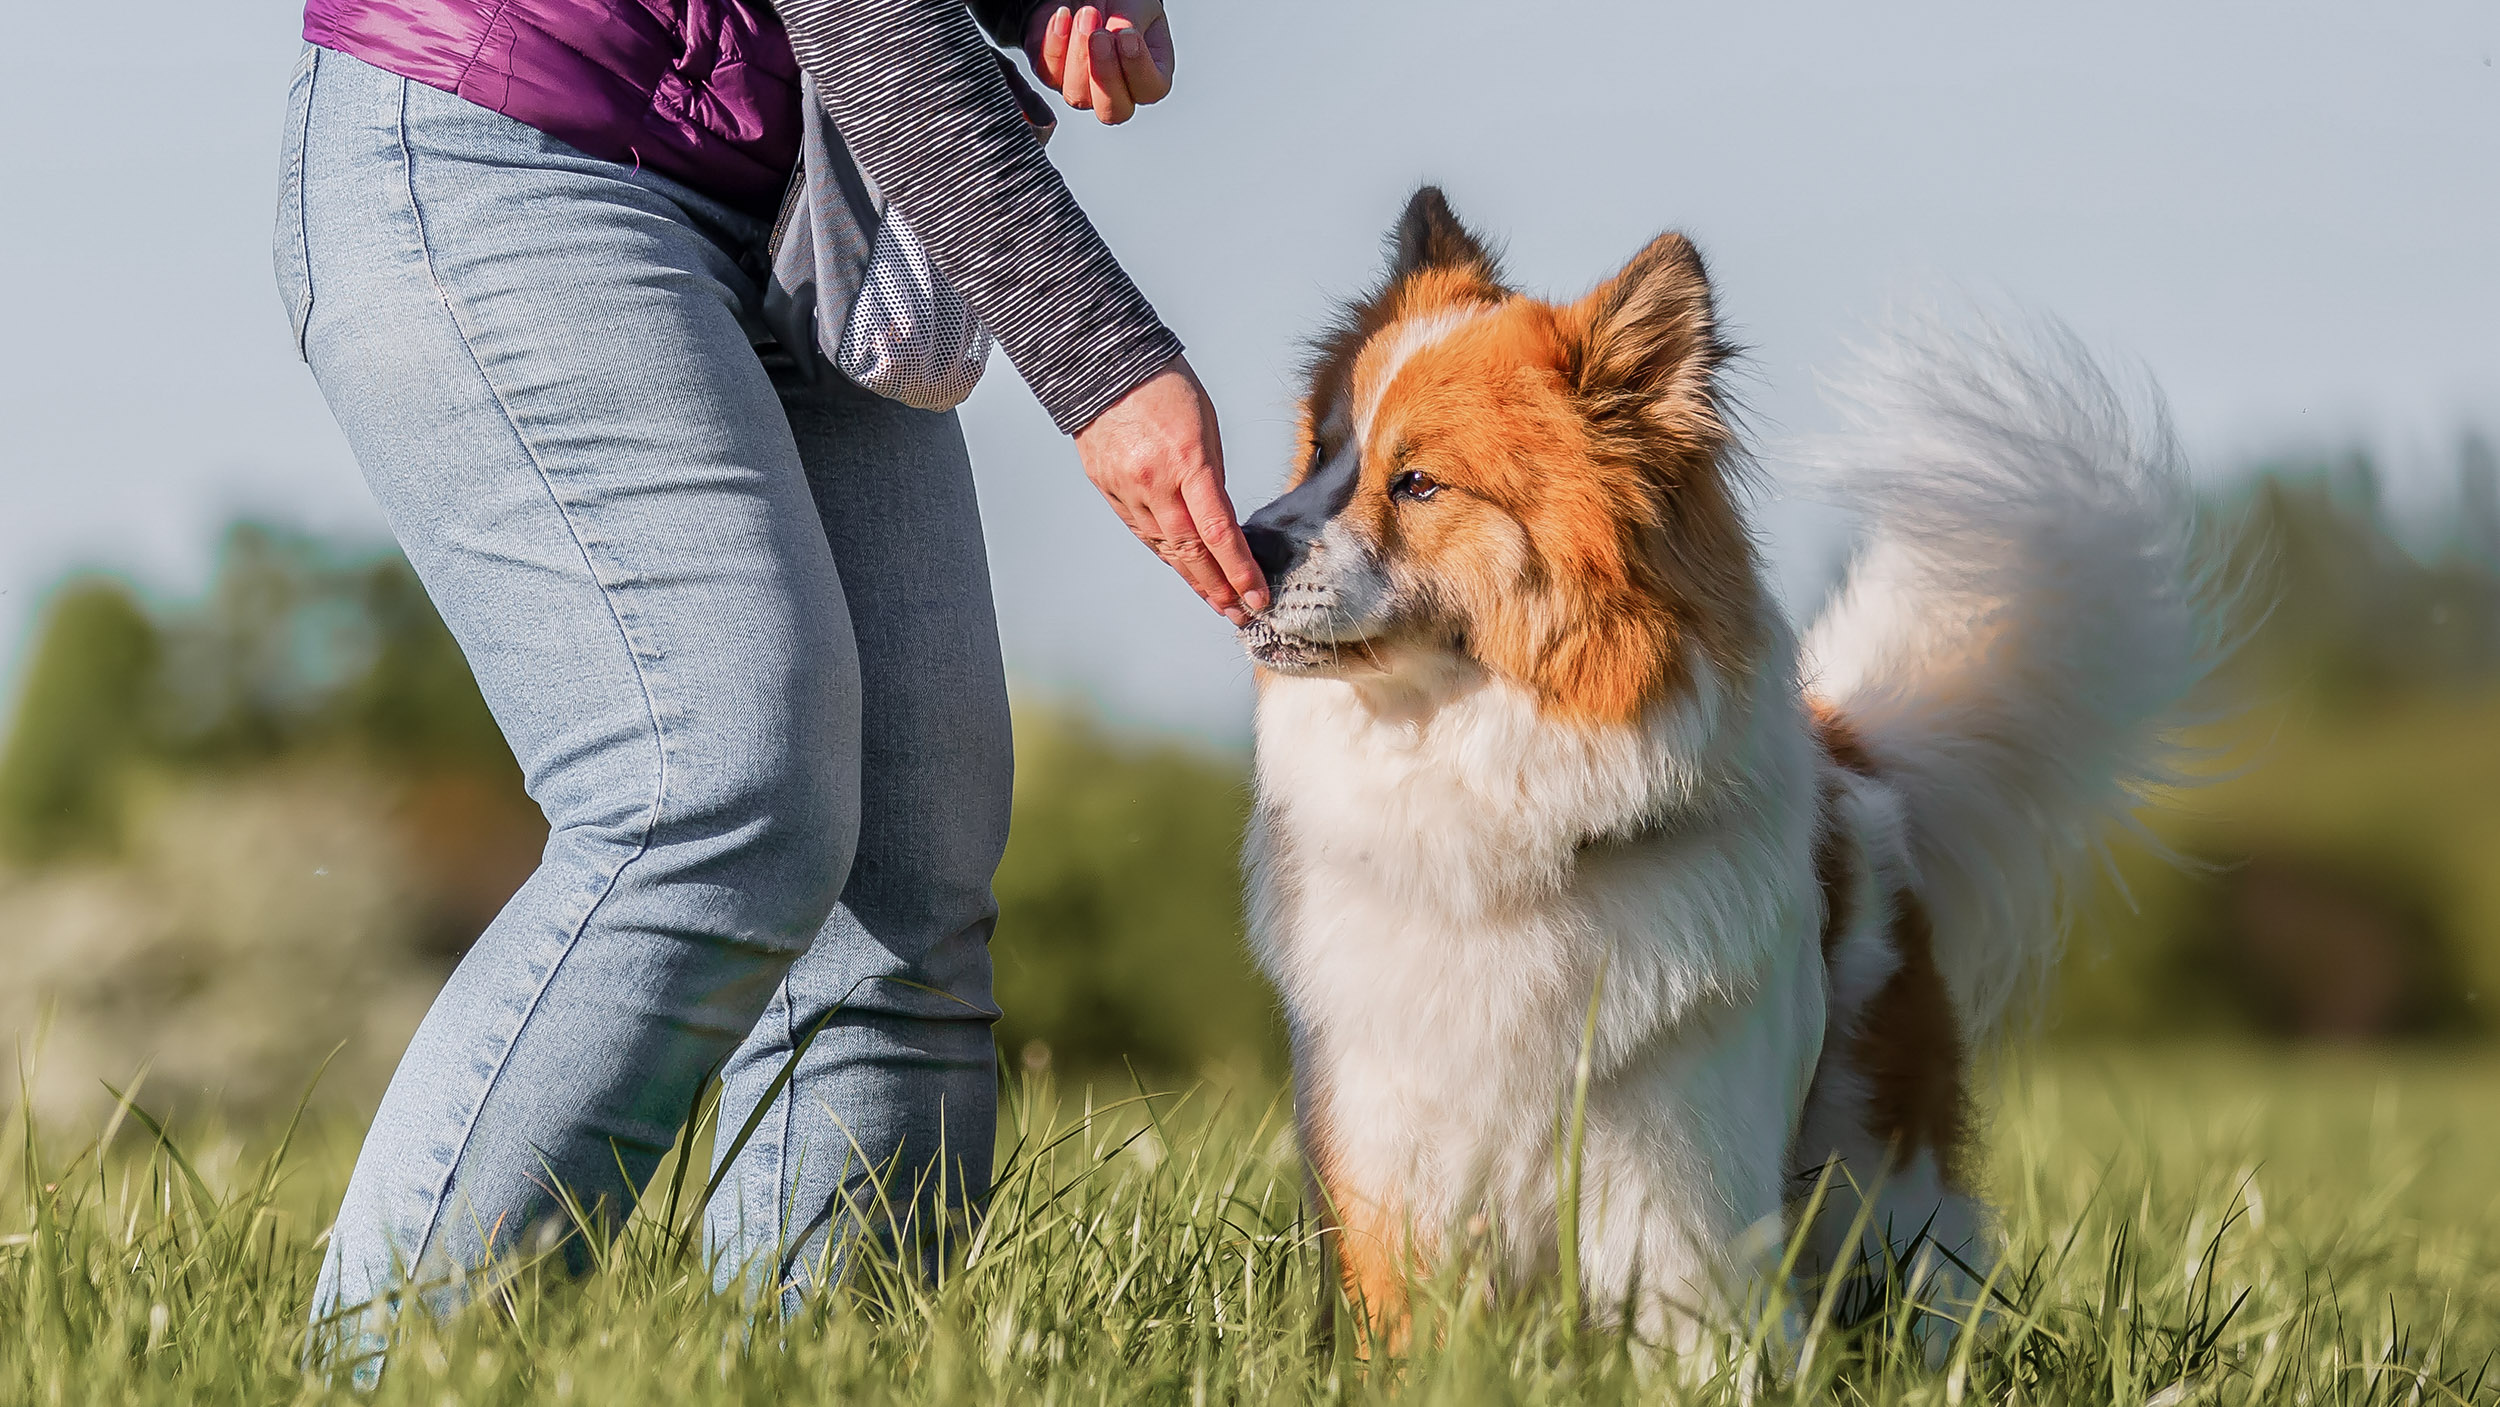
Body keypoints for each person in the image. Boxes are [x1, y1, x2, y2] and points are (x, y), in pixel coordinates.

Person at [274, 0, 1263, 1335]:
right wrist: (1098, 357)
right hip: (513, 135)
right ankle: (391, 1358)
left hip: (797, 183)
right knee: (714, 793)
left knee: (908, 880)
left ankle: (824, 1364)